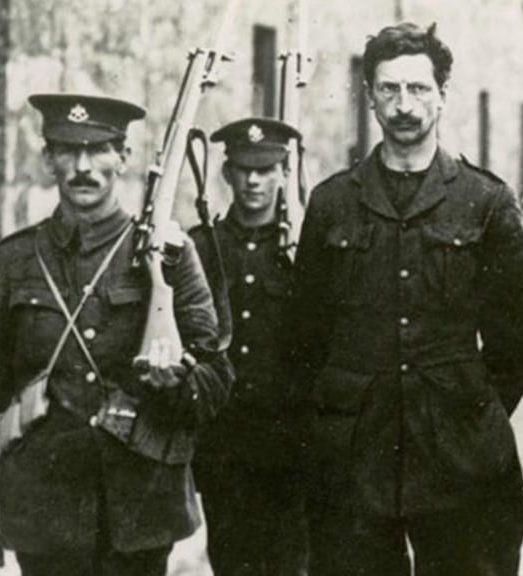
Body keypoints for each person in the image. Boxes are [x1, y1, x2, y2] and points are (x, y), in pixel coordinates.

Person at [0, 93, 233, 576]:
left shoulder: (169, 254)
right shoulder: (13, 260)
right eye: (67, 150)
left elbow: (216, 377)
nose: (83, 166)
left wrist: (177, 382)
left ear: (123, 157)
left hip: (139, 510)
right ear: (48, 159)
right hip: (44, 508)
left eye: (99, 149)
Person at [292, 22, 523, 576]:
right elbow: (304, 336)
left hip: (460, 459)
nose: (405, 105)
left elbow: (515, 342)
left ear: (443, 96)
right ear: (370, 96)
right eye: (390, 90)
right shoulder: (332, 204)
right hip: (354, 458)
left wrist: (468, 414)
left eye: (419, 89)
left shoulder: (486, 202)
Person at [189, 117, 308, 576]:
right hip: (225, 445)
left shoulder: (305, 249)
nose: (254, 180)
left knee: (292, 563)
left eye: (266, 169)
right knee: (232, 560)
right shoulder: (202, 248)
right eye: (244, 169)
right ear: (227, 173)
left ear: (283, 173)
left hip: (292, 441)